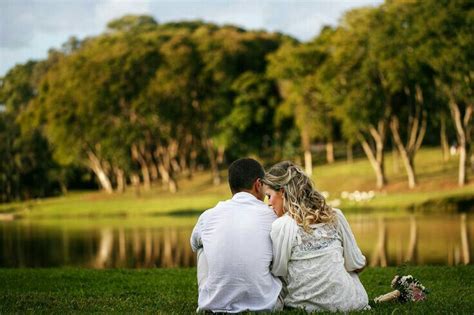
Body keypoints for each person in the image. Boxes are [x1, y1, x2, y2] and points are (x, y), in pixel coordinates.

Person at [261, 161, 369, 312]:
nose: (268, 203)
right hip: (349, 303)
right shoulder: (335, 216)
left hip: (306, 307)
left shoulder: (283, 226)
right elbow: (356, 264)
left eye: (269, 196)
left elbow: (278, 271)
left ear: (283, 192)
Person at [190, 158, 282, 312]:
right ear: (258, 184)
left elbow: (193, 244)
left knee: (201, 246)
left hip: (216, 305)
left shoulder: (209, 215)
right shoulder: (272, 216)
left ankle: (209, 301)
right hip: (266, 305)